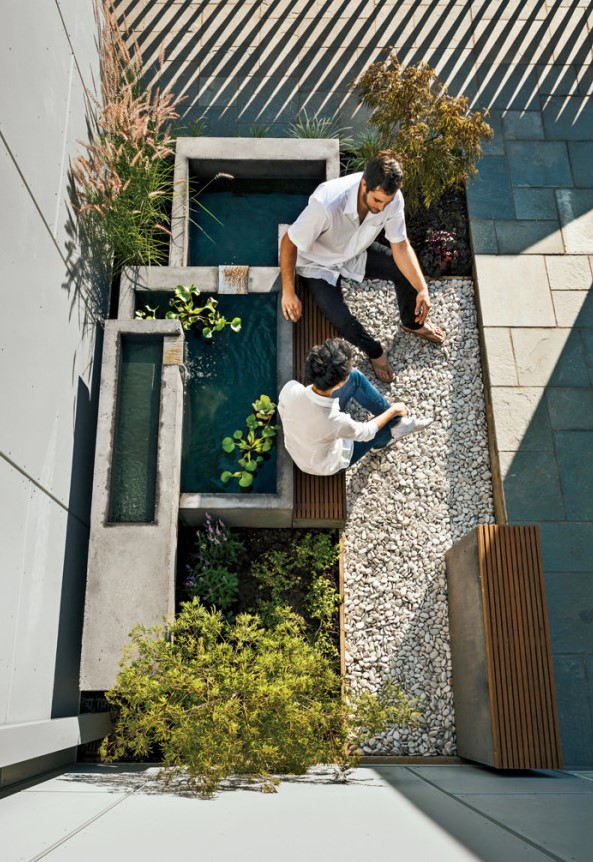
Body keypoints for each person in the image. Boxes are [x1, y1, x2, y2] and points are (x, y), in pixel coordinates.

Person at [280, 150, 445, 383]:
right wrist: (288, 291)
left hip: (354, 251)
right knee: (342, 320)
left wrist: (422, 289)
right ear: (364, 183)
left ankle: (411, 323)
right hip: (318, 264)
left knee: (405, 273)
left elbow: (401, 246)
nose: (382, 207)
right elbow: (289, 241)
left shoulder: (391, 199)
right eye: (377, 200)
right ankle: (375, 352)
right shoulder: (327, 204)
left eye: (387, 202)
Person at [278, 338, 432, 476]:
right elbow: (367, 432)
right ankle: (390, 432)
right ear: (340, 383)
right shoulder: (336, 421)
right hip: (325, 466)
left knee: (355, 377)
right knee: (388, 421)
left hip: (300, 447)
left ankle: (397, 423)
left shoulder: (290, 389)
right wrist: (393, 411)